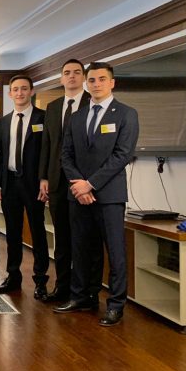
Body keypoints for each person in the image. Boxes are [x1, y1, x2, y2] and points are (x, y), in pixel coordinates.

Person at [55, 61, 139, 326]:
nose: (96, 84)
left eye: (102, 79)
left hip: (109, 196)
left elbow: (122, 155)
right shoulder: (77, 117)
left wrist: (89, 184)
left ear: (112, 82)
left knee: (115, 252)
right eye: (91, 80)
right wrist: (79, 186)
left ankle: (115, 305)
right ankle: (82, 296)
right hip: (78, 195)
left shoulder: (126, 114)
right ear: (86, 83)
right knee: (81, 249)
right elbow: (66, 154)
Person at [39, 59, 104, 304]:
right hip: (57, 183)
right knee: (62, 239)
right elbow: (47, 144)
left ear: (84, 78)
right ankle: (63, 287)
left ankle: (88, 291)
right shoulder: (53, 107)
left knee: (87, 240)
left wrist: (88, 181)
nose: (72, 76)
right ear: (61, 78)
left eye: (77, 72)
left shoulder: (93, 103)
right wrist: (44, 177)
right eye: (67, 73)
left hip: (84, 184)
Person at [0, 75, 49, 298]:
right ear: (10, 94)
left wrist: (45, 178)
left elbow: (47, 151)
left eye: (24, 89)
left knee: (38, 232)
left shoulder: (43, 118)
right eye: (15, 89)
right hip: (10, 182)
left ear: (31, 91)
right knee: (12, 233)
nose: (19, 93)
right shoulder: (4, 121)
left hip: (33, 184)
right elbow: (0, 156)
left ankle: (40, 280)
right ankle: (13, 276)